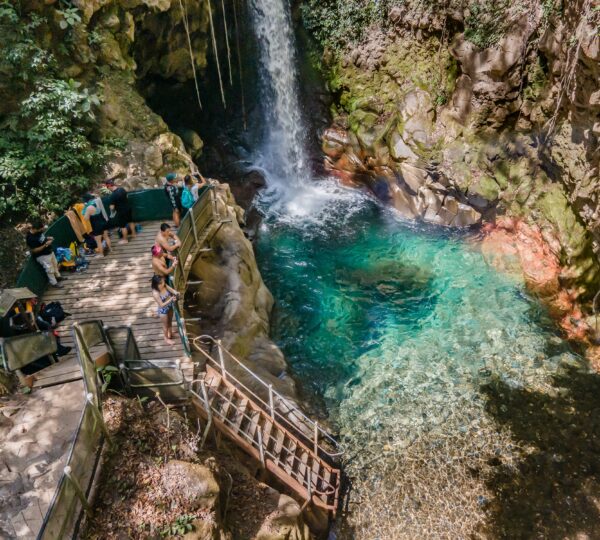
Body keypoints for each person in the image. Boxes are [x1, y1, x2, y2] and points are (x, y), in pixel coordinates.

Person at [26, 220, 64, 288]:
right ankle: (54, 283)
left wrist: (48, 238)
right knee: (49, 269)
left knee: (55, 264)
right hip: (42, 256)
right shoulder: (30, 238)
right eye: (41, 229)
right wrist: (46, 244)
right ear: (35, 229)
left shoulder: (39, 231)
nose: (42, 230)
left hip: (49, 251)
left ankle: (58, 277)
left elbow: (41, 238)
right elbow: (35, 250)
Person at [151, 274, 179, 345]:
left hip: (169, 306)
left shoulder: (164, 285)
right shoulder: (155, 293)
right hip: (163, 311)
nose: (163, 284)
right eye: (161, 283)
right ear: (156, 284)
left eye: (163, 282)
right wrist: (171, 299)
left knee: (170, 321)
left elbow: (171, 290)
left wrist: (176, 293)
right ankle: (166, 338)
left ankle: (171, 333)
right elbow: (161, 305)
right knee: (165, 325)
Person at [105, 179, 135, 244]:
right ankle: (133, 234)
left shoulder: (112, 196)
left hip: (121, 212)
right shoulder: (122, 189)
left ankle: (125, 240)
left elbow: (112, 207)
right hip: (128, 208)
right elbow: (127, 197)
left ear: (109, 186)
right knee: (130, 221)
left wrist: (111, 208)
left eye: (107, 187)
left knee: (123, 226)